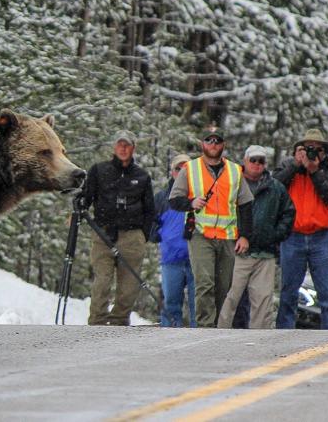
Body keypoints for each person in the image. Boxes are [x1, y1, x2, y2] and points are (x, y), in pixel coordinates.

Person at [169, 125, 253, 328]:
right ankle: (204, 326)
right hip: (200, 233)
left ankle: (215, 326)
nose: (213, 144)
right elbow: (174, 199)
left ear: (223, 144)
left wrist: (245, 236)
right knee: (205, 283)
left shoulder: (235, 170)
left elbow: (246, 204)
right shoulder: (190, 169)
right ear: (202, 144)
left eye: (217, 141)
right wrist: (191, 203)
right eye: (209, 140)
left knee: (223, 287)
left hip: (227, 235)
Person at [82, 130, 156, 326]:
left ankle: (119, 322)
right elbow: (85, 197)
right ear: (114, 147)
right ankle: (97, 321)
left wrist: (142, 235)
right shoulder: (98, 170)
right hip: (103, 233)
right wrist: (79, 204)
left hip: (132, 236)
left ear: (133, 148)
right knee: (102, 281)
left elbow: (150, 210)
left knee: (128, 287)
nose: (123, 148)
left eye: (127, 145)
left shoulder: (142, 176)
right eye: (120, 144)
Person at [218, 145, 295, 329]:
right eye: (253, 160)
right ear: (245, 161)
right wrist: (231, 236)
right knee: (229, 298)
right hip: (237, 252)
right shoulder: (231, 183)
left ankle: (261, 342)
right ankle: (218, 334)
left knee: (263, 301)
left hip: (265, 254)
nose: (257, 164)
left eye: (261, 161)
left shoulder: (275, 187)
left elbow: (289, 213)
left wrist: (275, 235)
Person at [273, 128, 328, 329]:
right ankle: (284, 333)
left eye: (317, 149)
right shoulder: (289, 166)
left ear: (324, 152)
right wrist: (296, 165)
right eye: (308, 148)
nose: (312, 153)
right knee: (288, 292)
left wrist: (314, 172)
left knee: (327, 293)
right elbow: (274, 187)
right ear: (299, 150)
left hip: (321, 237)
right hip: (293, 236)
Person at [152, 153, 196, 327]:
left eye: (186, 168)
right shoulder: (162, 198)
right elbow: (151, 221)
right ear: (172, 172)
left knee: (197, 306)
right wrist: (158, 234)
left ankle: (200, 342)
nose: (182, 172)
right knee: (170, 306)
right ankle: (167, 341)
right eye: (178, 168)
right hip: (171, 258)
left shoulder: (199, 195)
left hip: (196, 259)